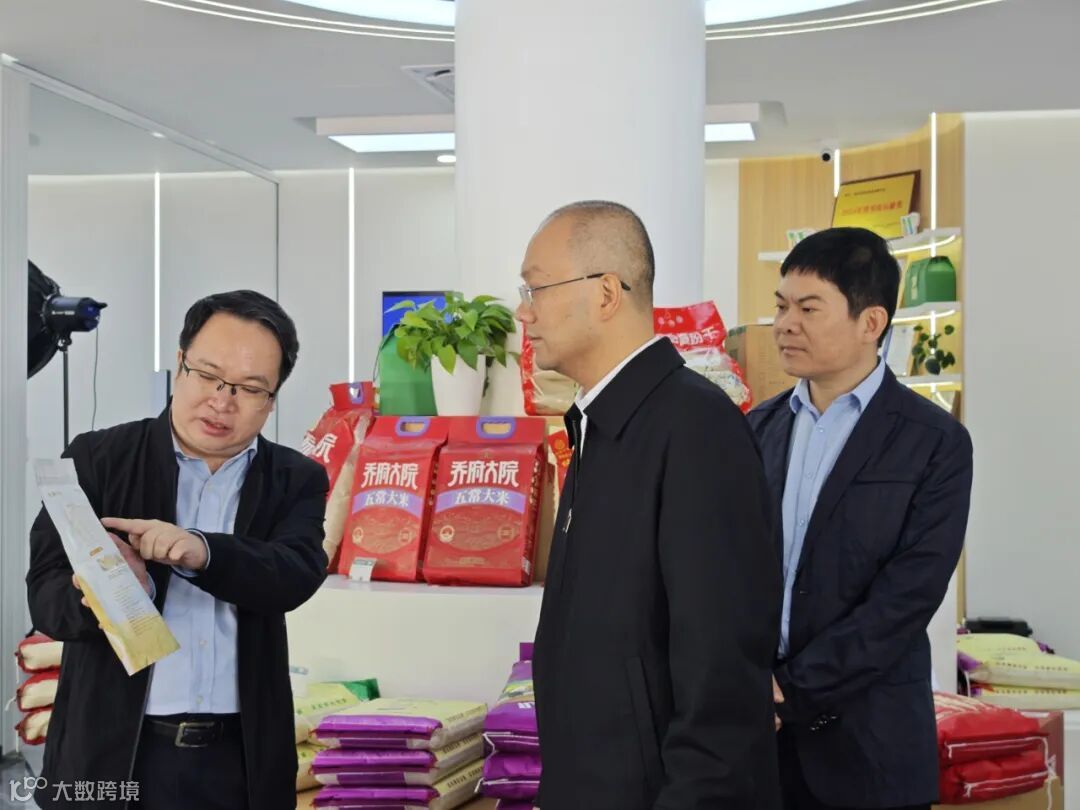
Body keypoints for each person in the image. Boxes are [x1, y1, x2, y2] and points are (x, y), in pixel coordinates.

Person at [522, 200, 782, 810]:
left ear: (606, 293)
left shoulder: (696, 427)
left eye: (536, 288)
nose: (523, 313)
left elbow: (722, 676)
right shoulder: (601, 424)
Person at [26, 290, 330, 810]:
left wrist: (203, 552)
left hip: (241, 760)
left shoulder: (294, 478)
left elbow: (295, 573)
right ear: (180, 363)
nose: (222, 401)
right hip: (113, 754)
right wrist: (108, 591)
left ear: (272, 399)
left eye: (249, 388)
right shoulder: (98, 459)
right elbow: (45, 597)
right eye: (208, 375)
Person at [748, 228, 973, 810]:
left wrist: (789, 690)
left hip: (871, 750)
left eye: (808, 309)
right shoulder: (757, 430)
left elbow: (905, 598)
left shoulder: (934, 442)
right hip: (758, 748)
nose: (785, 324)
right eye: (780, 306)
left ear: (871, 322)